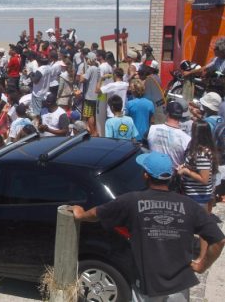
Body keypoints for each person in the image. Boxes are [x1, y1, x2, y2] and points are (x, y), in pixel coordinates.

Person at [72, 151, 225, 301]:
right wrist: (202, 265)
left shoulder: (130, 201)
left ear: (146, 175)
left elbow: (97, 213)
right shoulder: (189, 205)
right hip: (180, 286)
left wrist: (81, 215)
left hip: (146, 286)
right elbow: (219, 240)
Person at [178, 120, 221, 263]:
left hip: (198, 196)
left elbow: (204, 178)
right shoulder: (200, 149)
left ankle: (202, 257)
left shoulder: (202, 153)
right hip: (196, 195)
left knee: (201, 229)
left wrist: (186, 171)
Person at [147, 101, 191, 170]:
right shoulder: (187, 139)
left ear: (167, 113)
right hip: (172, 176)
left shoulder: (152, 129)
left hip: (152, 172)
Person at [79, 52, 100, 135]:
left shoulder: (91, 69)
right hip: (96, 96)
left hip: (89, 96)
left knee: (89, 115)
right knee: (94, 115)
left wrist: (82, 74)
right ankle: (95, 131)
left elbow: (82, 80)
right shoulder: (98, 68)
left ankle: (93, 132)